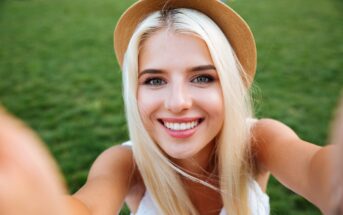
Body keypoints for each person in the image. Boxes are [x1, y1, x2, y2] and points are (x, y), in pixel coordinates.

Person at [0, 0, 339, 214]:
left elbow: (318, 172)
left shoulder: (259, 142)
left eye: (203, 78)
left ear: (230, 86)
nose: (177, 102)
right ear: (134, 91)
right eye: (154, 80)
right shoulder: (126, 163)